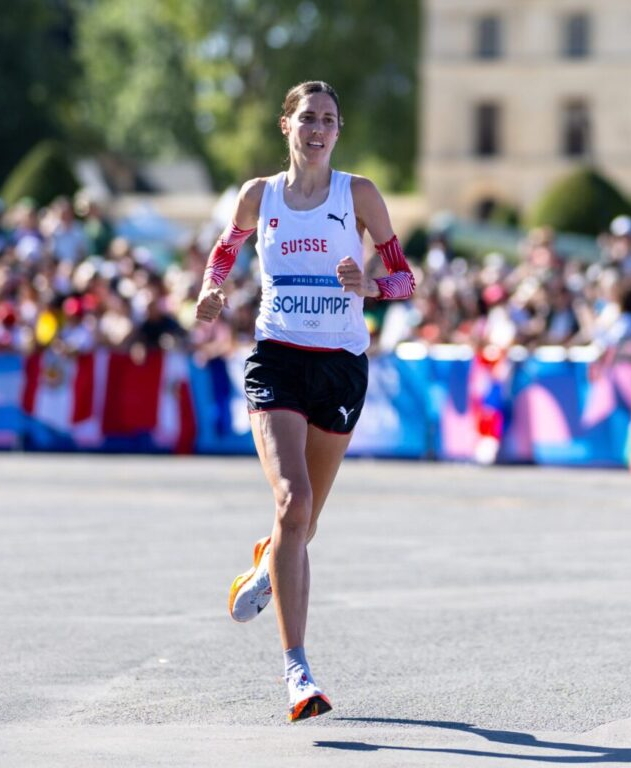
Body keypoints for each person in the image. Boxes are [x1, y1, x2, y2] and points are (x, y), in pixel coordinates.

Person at [194, 80, 415, 722]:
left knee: (304, 523)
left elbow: (404, 279)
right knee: (293, 500)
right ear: (285, 125)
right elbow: (225, 251)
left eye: (329, 120)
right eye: (307, 118)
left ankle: (267, 566)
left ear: (337, 132)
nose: (318, 129)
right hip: (278, 359)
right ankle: (297, 673)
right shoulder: (258, 195)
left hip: (341, 367)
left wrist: (370, 282)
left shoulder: (360, 195)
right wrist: (211, 291)